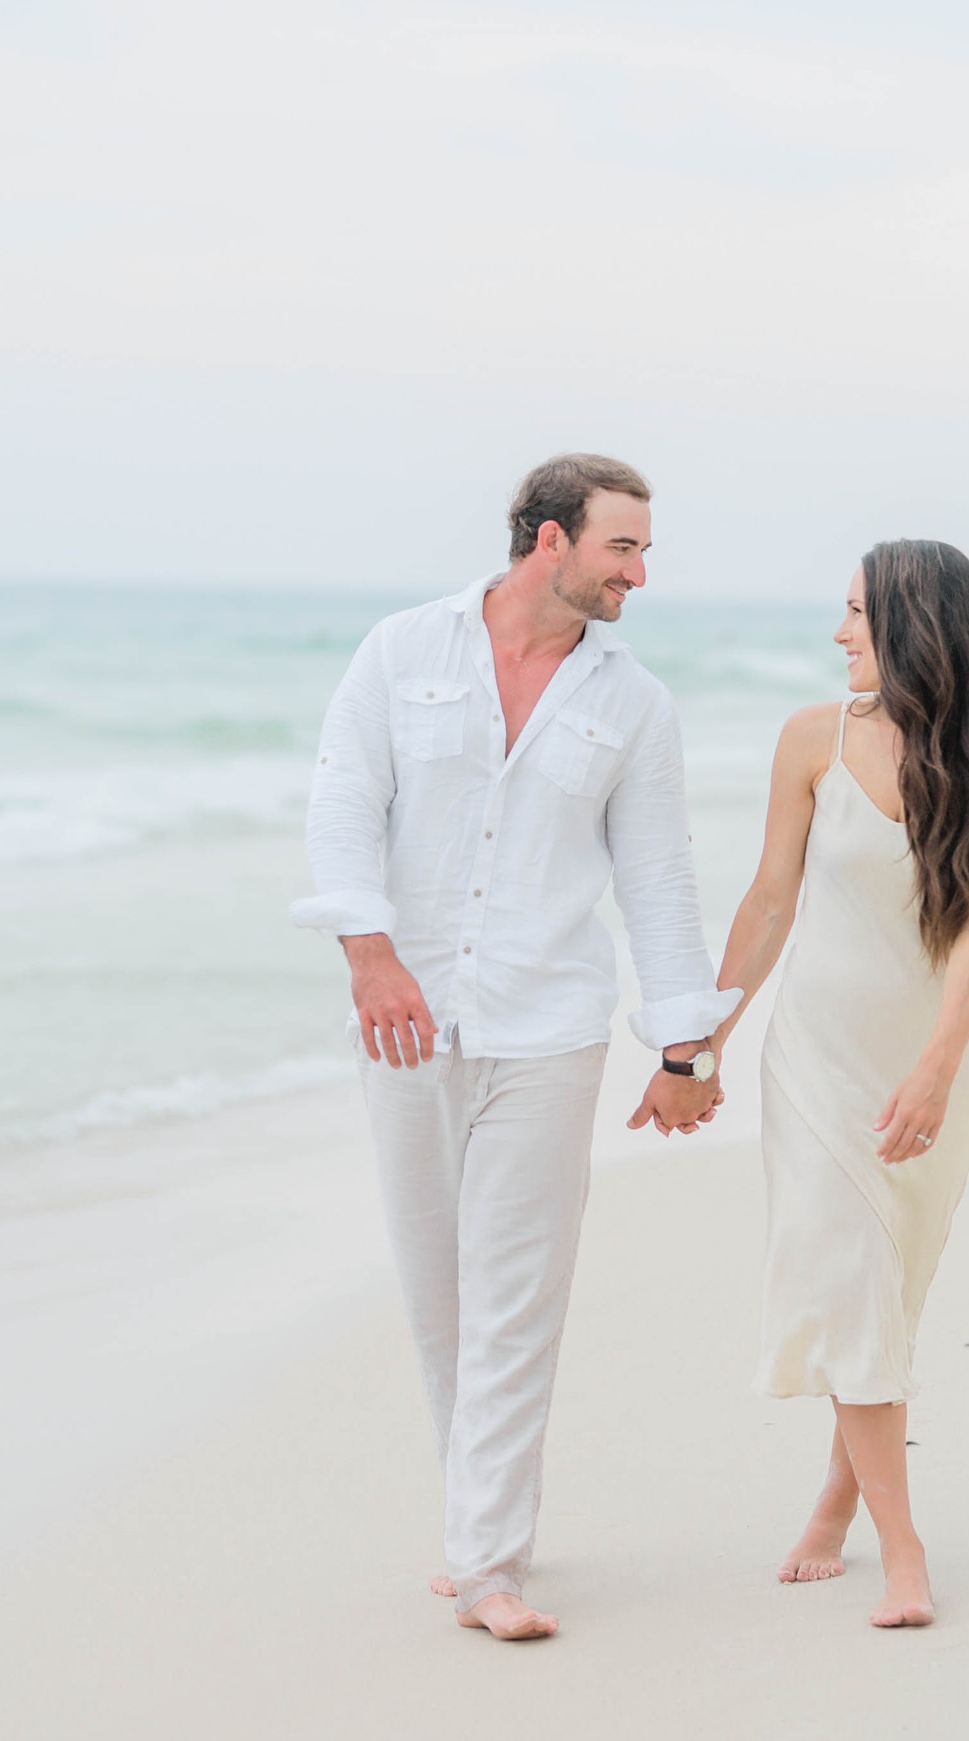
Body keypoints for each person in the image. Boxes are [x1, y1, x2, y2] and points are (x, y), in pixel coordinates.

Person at [291, 454, 740, 1640]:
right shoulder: (401, 653)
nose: (639, 574)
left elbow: (657, 876)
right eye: (622, 549)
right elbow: (342, 804)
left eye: (643, 551)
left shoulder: (634, 703)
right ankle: (477, 1524)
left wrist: (683, 1045)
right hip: (406, 1023)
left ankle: (490, 1566)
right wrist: (368, 952)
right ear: (550, 540)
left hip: (548, 1028)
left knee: (515, 1301)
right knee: (439, 1297)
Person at [707, 540, 969, 1628]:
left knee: (886, 1294)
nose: (840, 634)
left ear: (918, 622)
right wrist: (702, 1046)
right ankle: (904, 1547)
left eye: (858, 613)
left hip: (934, 1067)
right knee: (848, 1280)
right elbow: (769, 902)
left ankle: (835, 1500)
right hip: (816, 1064)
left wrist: (934, 1069)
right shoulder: (812, 739)